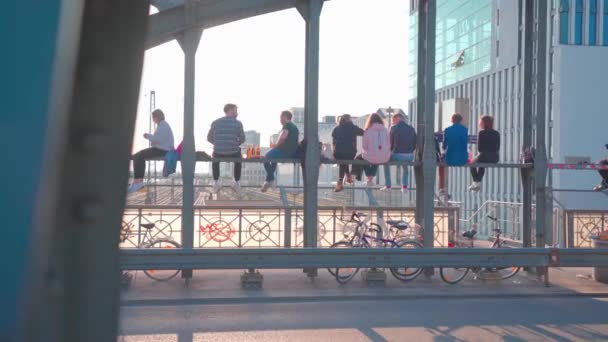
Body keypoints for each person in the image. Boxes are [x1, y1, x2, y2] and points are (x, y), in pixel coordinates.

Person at [128, 109, 174, 193]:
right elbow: (160, 140)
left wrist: (148, 136)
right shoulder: (163, 125)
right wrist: (154, 141)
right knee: (139, 155)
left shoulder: (163, 125)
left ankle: (138, 183)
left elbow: (158, 139)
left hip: (162, 150)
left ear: (157, 117)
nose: (153, 119)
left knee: (138, 156)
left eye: (153, 117)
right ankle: (138, 182)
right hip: (163, 149)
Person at [207, 103, 246, 193]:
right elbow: (243, 139)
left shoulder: (215, 122)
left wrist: (217, 144)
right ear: (230, 111)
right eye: (236, 111)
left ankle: (216, 182)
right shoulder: (238, 123)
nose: (237, 113)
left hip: (218, 152)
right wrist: (234, 144)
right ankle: (236, 182)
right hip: (233, 152)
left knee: (215, 158)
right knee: (239, 159)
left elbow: (209, 138)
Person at [261, 110, 300, 192]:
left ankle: (271, 179)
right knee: (273, 159)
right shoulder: (295, 127)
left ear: (285, 117)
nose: (280, 120)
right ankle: (268, 181)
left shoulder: (287, 125)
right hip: (292, 153)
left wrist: (276, 145)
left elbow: (283, 137)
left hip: (284, 151)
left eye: (280, 117)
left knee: (266, 157)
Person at [351, 113, 391, 186]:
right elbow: (389, 143)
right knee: (378, 158)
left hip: (372, 156)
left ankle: (369, 178)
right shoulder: (386, 130)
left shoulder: (368, 130)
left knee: (363, 158)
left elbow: (364, 146)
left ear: (370, 121)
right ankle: (370, 179)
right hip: (385, 156)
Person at [380, 113, 417, 192]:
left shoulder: (394, 128)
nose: (393, 121)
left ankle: (388, 185)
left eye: (393, 119)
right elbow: (415, 143)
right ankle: (404, 187)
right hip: (410, 156)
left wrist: (390, 153)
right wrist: (410, 152)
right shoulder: (411, 128)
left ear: (398, 118)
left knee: (385, 162)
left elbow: (390, 143)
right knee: (405, 166)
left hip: (398, 155)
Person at [331, 114, 364, 192]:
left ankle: (342, 180)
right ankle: (346, 177)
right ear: (349, 119)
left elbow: (334, 143)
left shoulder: (336, 129)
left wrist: (334, 153)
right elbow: (363, 133)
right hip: (351, 153)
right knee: (344, 160)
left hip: (338, 153)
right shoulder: (353, 128)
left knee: (342, 161)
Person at [439, 113, 468, 193]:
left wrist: (442, 153)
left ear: (452, 120)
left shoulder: (447, 130)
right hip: (462, 158)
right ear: (461, 120)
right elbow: (465, 143)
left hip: (450, 158)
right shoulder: (465, 130)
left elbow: (444, 145)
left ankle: (441, 187)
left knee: (441, 166)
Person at [469, 115, 500, 192]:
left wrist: (484, 152)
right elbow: (497, 148)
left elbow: (479, 149)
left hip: (484, 156)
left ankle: (476, 182)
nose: (479, 123)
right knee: (481, 163)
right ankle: (476, 184)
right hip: (495, 157)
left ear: (484, 123)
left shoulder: (481, 133)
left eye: (480, 122)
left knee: (471, 163)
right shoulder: (496, 133)